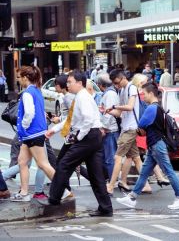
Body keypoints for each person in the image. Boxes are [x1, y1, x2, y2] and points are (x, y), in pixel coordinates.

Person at [44, 70, 113, 217]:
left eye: (70, 82)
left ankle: (54, 199)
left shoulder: (83, 98)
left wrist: (79, 137)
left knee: (63, 164)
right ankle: (106, 208)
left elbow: (87, 121)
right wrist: (54, 130)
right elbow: (71, 120)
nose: (67, 85)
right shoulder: (79, 97)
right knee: (95, 175)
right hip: (92, 136)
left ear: (79, 83)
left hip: (88, 136)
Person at [116, 83, 179, 210]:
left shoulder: (151, 109)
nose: (143, 96)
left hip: (156, 144)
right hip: (154, 144)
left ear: (151, 93)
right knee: (144, 172)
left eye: (144, 93)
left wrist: (140, 128)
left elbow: (140, 126)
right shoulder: (158, 107)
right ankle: (132, 197)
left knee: (169, 171)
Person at [10, 66, 57, 202]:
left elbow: (30, 112)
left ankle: (63, 189)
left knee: (43, 164)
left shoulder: (27, 93)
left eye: (19, 77)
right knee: (22, 162)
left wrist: (24, 126)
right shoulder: (37, 91)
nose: (18, 80)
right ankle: (24, 193)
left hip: (31, 133)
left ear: (25, 78)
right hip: (34, 133)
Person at [105, 70, 152, 195]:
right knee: (136, 158)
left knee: (117, 157)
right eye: (114, 83)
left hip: (130, 128)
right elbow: (120, 113)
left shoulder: (131, 88)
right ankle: (145, 185)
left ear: (122, 78)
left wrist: (114, 107)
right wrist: (108, 110)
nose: (116, 85)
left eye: (117, 82)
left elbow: (130, 107)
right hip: (126, 127)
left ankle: (110, 186)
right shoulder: (122, 90)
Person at [97, 73, 120, 180]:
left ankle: (112, 180)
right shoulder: (109, 93)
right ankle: (110, 179)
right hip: (109, 129)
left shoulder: (109, 94)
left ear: (101, 85)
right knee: (108, 157)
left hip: (110, 130)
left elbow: (108, 113)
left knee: (110, 158)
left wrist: (104, 128)